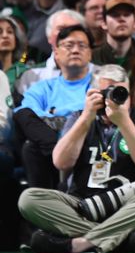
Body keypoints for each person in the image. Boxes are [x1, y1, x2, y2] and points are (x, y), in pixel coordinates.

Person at [17, 64, 135, 253]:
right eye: (106, 92)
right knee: (29, 199)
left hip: (127, 206)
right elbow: (61, 162)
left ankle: (78, 244)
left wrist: (124, 122)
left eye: (120, 92)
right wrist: (86, 117)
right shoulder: (79, 117)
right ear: (92, 93)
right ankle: (119, 240)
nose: (112, 99)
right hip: (80, 205)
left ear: (130, 95)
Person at [14, 25, 96, 189]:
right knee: (22, 117)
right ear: (56, 53)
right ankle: (57, 154)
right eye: (69, 45)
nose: (75, 50)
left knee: (32, 148)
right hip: (50, 144)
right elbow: (26, 113)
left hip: (87, 141)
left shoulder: (98, 83)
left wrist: (55, 117)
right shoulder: (44, 87)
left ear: (90, 54)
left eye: (82, 45)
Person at [91, 0, 135, 70]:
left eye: (127, 15)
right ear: (104, 23)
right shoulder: (92, 58)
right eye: (115, 15)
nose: (122, 19)